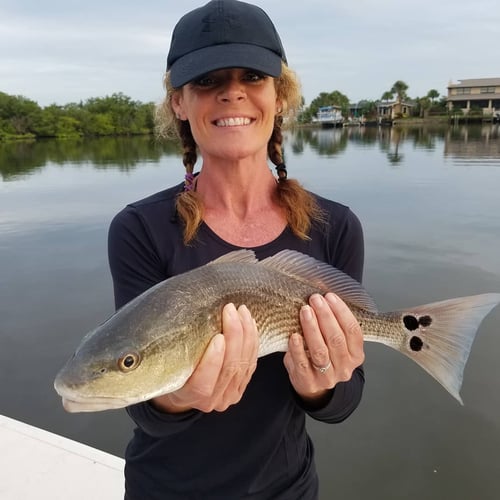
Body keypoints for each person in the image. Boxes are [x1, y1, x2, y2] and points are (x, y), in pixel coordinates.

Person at [108, 1, 366, 498]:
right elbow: (139, 401)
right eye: (206, 80)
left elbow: (345, 400)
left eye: (252, 75)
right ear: (179, 103)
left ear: (280, 95)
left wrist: (321, 382)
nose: (232, 92)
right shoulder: (139, 228)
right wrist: (178, 398)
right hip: (165, 488)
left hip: (287, 488)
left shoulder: (336, 227)